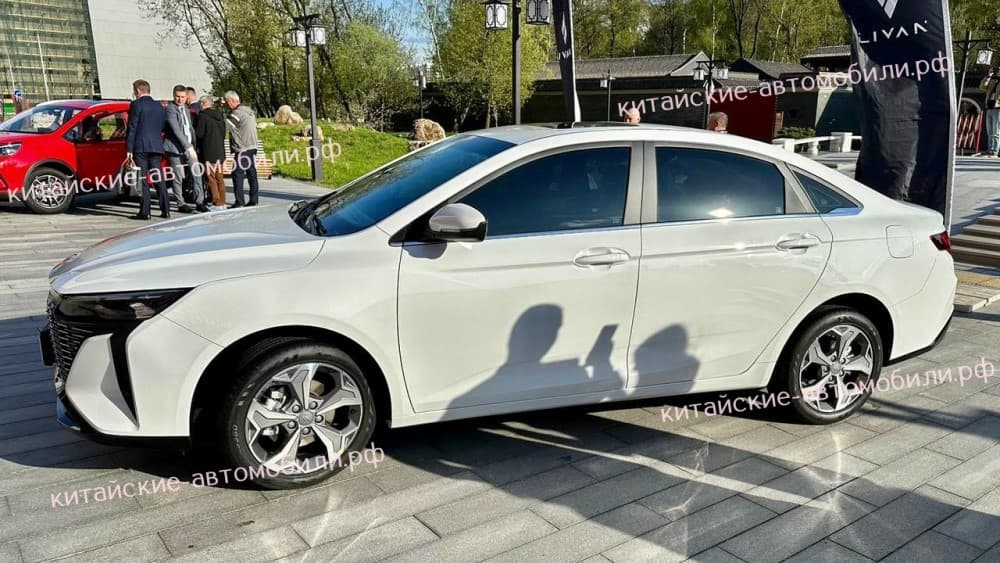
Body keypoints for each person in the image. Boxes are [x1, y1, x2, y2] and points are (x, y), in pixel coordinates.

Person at [125, 79, 169, 220]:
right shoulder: (160, 106)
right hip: (156, 146)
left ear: (137, 91)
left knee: (143, 179)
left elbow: (132, 127)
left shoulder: (136, 104)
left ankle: (145, 212)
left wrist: (129, 150)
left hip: (141, 146)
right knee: (158, 178)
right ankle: (166, 210)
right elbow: (162, 126)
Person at [163, 84, 208, 213]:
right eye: (177, 97)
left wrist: (193, 145)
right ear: (173, 96)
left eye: (183, 97)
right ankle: (181, 203)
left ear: (186, 97)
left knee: (196, 174)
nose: (180, 99)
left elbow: (189, 128)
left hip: (190, 147)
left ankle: (199, 201)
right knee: (178, 177)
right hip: (175, 149)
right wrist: (188, 147)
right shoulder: (170, 110)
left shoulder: (186, 109)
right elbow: (176, 130)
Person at [224, 90, 260, 208]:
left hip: (242, 148)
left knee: (237, 174)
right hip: (252, 146)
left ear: (232, 101)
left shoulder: (236, 114)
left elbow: (225, 126)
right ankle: (254, 200)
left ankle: (239, 201)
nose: (225, 104)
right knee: (251, 174)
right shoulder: (249, 111)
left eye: (226, 101)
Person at [195, 95, 227, 209]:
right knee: (220, 178)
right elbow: (224, 133)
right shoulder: (220, 116)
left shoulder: (203, 116)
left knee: (211, 178)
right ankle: (223, 201)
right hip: (220, 151)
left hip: (208, 151)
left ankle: (216, 201)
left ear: (203, 103)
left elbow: (199, 134)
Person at [981, 66, 999, 157]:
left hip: (998, 108)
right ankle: (989, 149)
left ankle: (995, 150)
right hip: (989, 107)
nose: (997, 72)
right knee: (990, 131)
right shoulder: (993, 80)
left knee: (996, 131)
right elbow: (982, 87)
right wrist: (988, 76)